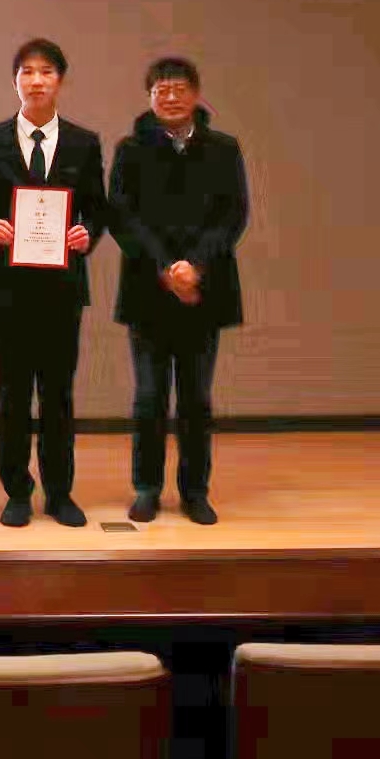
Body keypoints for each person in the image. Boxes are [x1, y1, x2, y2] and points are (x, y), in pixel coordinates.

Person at [0, 39, 109, 528]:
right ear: (15, 81)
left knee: (58, 393)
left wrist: (88, 232)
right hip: (9, 287)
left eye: (46, 71)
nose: (37, 80)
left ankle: (60, 492)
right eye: (27, 71)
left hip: (63, 286)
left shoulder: (84, 143)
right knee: (12, 392)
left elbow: (97, 207)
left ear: (60, 80)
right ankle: (17, 491)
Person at [109, 57, 249, 526]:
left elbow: (233, 215)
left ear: (196, 93)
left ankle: (194, 491)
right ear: (150, 97)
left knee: (196, 399)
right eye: (161, 90)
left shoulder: (223, 148)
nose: (170, 97)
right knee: (149, 397)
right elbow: (123, 216)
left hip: (203, 291)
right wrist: (165, 267)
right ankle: (147, 488)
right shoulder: (131, 150)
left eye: (179, 88)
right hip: (148, 290)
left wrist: (196, 266)